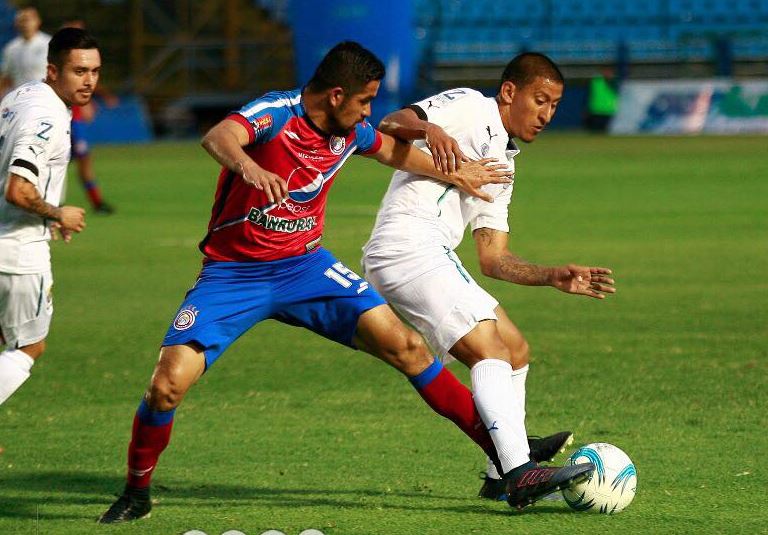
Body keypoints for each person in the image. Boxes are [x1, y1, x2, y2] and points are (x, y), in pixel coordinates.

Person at [98, 40, 535, 524]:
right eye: (365, 100)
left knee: (409, 347)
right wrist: (250, 166)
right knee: (166, 386)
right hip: (232, 275)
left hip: (306, 268)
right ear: (334, 96)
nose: (369, 111)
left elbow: (392, 150)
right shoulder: (276, 112)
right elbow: (219, 137)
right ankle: (136, 492)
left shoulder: (349, 132)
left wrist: (458, 176)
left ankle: (510, 462)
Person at [362, 52, 614, 508]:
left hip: (431, 253)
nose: (547, 114)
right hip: (406, 249)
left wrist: (552, 275)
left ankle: (500, 472)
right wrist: (431, 129)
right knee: (488, 348)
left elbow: (493, 258)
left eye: (555, 105)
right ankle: (521, 471)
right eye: (540, 100)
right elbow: (390, 123)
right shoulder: (469, 106)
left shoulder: (505, 164)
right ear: (510, 92)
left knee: (514, 349)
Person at [0, 27, 98, 405]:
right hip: (18, 252)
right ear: (53, 71)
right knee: (28, 347)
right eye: (79, 71)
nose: (89, 81)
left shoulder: (19, 96)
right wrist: (58, 212)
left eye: (94, 71)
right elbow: (18, 189)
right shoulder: (48, 116)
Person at [61, 19, 115, 214]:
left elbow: (84, 81)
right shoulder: (60, 57)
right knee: (56, 160)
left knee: (83, 159)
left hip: (75, 119)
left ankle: (96, 202)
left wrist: (89, 100)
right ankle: (51, 203)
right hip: (63, 118)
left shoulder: (80, 55)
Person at [0, 7, 51, 95]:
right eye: (21, 20)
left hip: (45, 97)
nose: (24, 24)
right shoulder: (11, 48)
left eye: (27, 20)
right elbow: (6, 77)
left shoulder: (48, 44)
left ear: (38, 21)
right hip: (20, 100)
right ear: (16, 23)